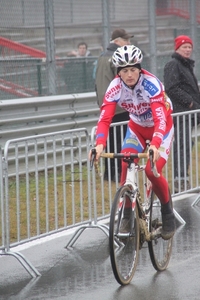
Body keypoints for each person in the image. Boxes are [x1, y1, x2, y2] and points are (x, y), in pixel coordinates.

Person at [89, 45, 176, 240]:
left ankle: (167, 212)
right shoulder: (114, 87)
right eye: (124, 71)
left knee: (151, 170)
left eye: (133, 69)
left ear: (139, 69)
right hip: (136, 128)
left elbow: (161, 119)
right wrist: (100, 143)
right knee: (125, 161)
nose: (129, 75)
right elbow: (104, 119)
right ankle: (127, 213)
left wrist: (154, 143)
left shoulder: (151, 84)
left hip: (160, 129)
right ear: (118, 72)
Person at [95, 28, 134, 182]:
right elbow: (123, 81)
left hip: (106, 104)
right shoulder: (117, 58)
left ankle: (109, 174)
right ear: (117, 41)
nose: (129, 43)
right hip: (119, 105)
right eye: (126, 40)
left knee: (110, 140)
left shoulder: (102, 57)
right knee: (120, 141)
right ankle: (117, 173)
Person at [164, 35, 200, 193]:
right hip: (181, 113)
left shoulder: (186, 65)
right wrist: (190, 102)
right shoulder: (174, 64)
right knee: (182, 145)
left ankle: (183, 178)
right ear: (177, 48)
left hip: (188, 113)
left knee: (186, 145)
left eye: (189, 47)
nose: (187, 50)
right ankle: (180, 180)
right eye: (184, 47)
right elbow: (171, 87)